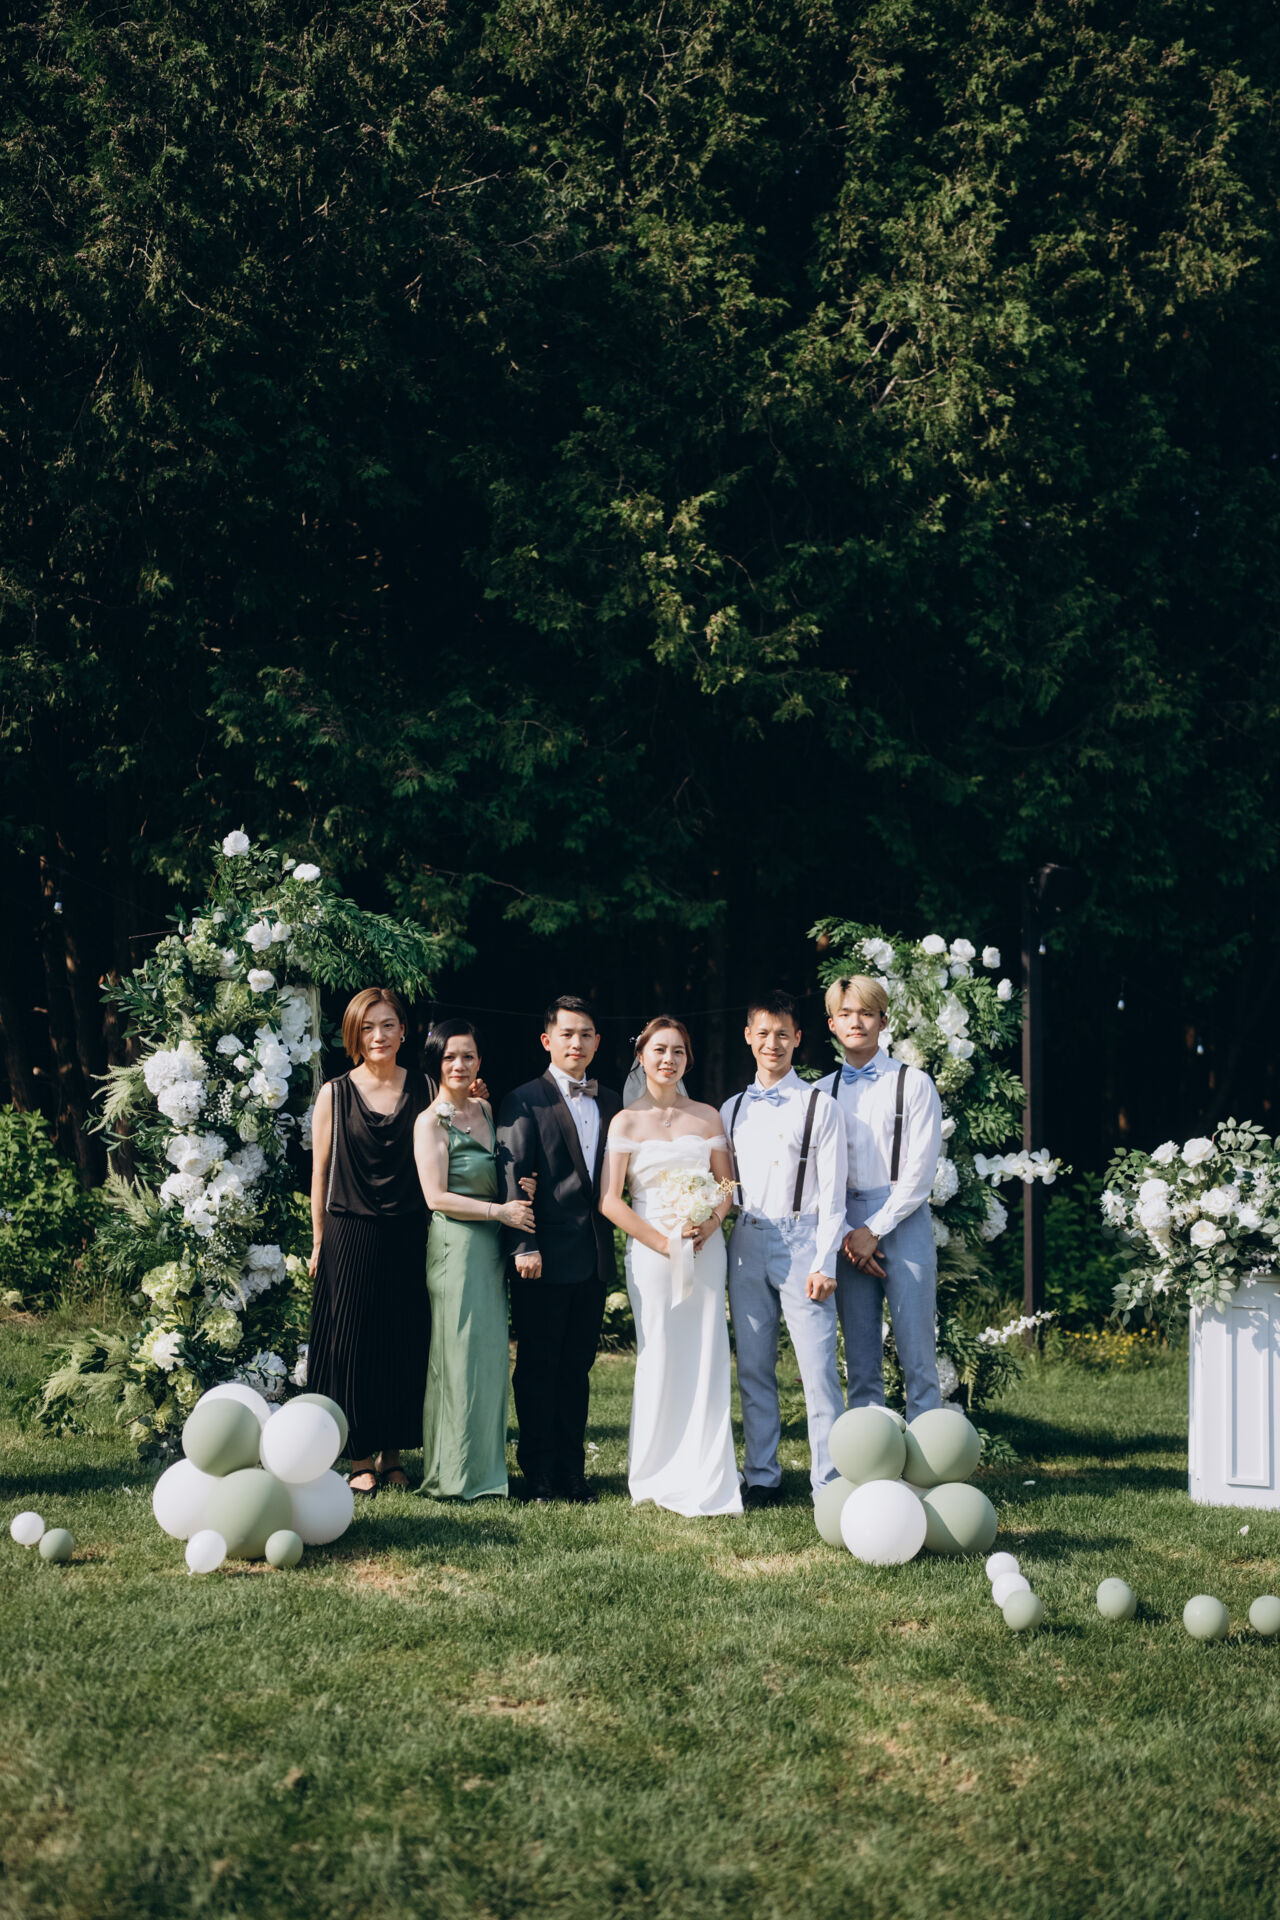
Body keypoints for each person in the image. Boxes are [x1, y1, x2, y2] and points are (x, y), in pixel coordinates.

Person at [601, 1017, 742, 1517]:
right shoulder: (625, 1122)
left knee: (706, 1350)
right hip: (651, 1253)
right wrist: (662, 1242)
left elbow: (727, 1187)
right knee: (658, 1350)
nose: (668, 1059)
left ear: (688, 1059)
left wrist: (711, 1222)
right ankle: (655, 1469)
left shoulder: (707, 1116)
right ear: (641, 1056)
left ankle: (707, 1468)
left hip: (705, 1250)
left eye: (678, 1051)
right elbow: (610, 1201)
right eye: (659, 1050)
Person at [721, 992, 847, 1508]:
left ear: (797, 1038)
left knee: (818, 1368)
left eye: (782, 1034)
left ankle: (830, 1483)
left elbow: (834, 1193)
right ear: (748, 1037)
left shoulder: (820, 1105)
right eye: (762, 1033)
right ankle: (762, 1476)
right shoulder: (730, 1110)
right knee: (753, 1366)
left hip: (803, 1239)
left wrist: (825, 1261)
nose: (772, 1043)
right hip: (747, 1237)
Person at [307, 987, 433, 1494]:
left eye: (387, 1025)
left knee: (404, 1341)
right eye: (367, 1027)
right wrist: (318, 1242)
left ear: (403, 1031)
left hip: (410, 1232)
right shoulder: (334, 1093)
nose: (378, 1035)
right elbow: (319, 1173)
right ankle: (359, 1457)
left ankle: (392, 1454)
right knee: (353, 1345)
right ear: (353, 1036)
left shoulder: (426, 1087)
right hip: (349, 1231)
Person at [496, 995, 621, 1503]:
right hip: (542, 1257)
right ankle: (538, 1472)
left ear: (597, 1041)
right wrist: (524, 1245)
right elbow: (512, 1175)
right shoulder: (524, 1099)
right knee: (538, 1368)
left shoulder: (612, 1101)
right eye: (567, 1034)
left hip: (592, 1257)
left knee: (577, 1368)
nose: (577, 1042)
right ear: (548, 1040)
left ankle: (573, 1471)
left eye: (586, 1034)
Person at [413, 1020, 536, 1501]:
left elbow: (500, 1169)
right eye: (450, 1057)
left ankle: (487, 1471)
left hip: (490, 1249)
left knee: (487, 1357)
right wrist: (498, 1212)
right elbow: (435, 1197)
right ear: (436, 1064)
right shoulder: (430, 1123)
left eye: (468, 1056)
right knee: (457, 1358)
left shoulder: (485, 1108)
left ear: (480, 1061)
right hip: (456, 1249)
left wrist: (521, 1186)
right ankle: (453, 1474)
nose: (460, 1065)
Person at [818, 974, 943, 1419]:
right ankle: (871, 1450)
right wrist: (849, 1233)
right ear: (832, 1024)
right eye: (846, 1014)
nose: (856, 1022)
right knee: (860, 1356)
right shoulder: (821, 1093)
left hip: (902, 1217)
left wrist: (873, 1230)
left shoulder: (914, 1083)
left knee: (918, 1353)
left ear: (883, 1021)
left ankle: (928, 1449)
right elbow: (818, 1180)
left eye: (867, 1013)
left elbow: (920, 1173)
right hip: (846, 1223)